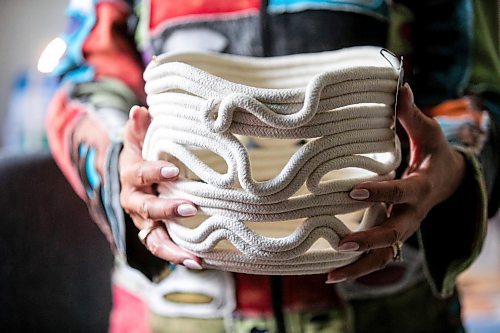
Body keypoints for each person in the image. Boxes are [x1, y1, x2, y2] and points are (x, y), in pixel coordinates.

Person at [45, 0, 499, 332]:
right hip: (180, 314)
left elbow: (477, 92)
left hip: (390, 310)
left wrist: (453, 167)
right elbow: (85, 83)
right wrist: (117, 164)